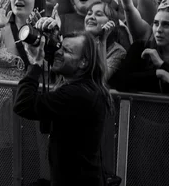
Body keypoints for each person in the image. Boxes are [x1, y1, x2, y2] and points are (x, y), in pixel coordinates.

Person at [13, 32, 111, 186]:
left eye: (67, 51)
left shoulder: (78, 94)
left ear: (83, 62)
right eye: (60, 47)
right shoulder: (86, 87)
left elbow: (23, 104)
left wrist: (36, 63)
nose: (58, 52)